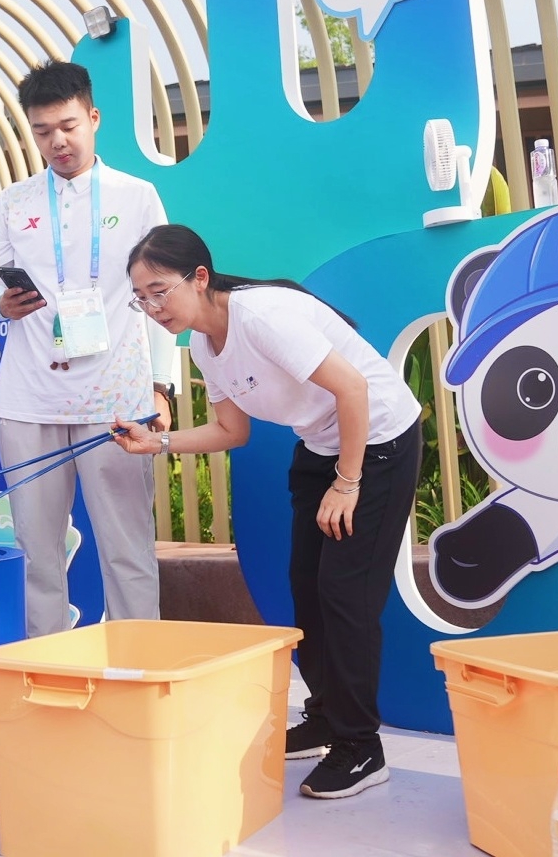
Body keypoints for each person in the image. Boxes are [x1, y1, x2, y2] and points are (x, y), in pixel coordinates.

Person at [110, 224, 423, 801]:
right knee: (307, 587)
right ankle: (326, 718)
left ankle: (361, 747)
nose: (152, 308)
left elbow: (354, 389)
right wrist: (156, 442)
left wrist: (348, 483)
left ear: (199, 277)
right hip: (322, 447)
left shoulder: (262, 318)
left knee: (346, 594)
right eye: (141, 298)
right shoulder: (203, 344)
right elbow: (232, 431)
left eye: (160, 291)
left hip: (378, 442)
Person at [0, 60, 176, 637]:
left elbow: (163, 295)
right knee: (36, 555)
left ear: (93, 118)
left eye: (67, 126)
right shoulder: (13, 202)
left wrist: (161, 388)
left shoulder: (137, 196)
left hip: (115, 397)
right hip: (29, 396)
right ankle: (45, 670)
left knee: (128, 550)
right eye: (42, 131)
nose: (57, 142)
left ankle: (141, 667)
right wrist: (1, 303)